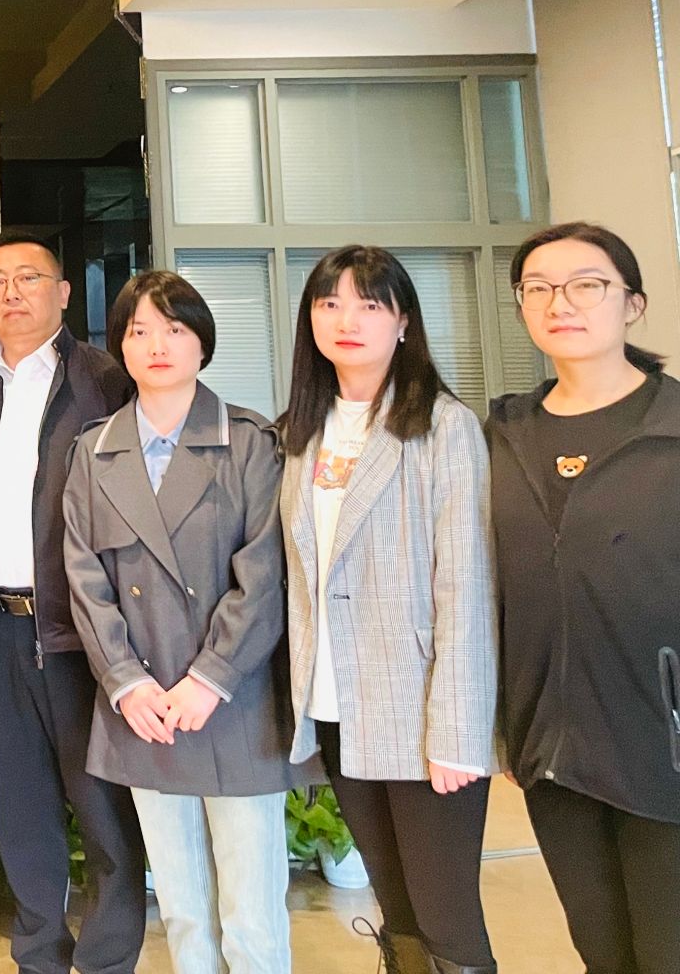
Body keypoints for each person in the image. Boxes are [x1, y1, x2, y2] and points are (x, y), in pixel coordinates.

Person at [0, 229, 144, 974]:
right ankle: (40, 954)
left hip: (87, 634)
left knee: (102, 804)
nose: (10, 292)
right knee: (23, 808)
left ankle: (107, 960)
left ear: (63, 292)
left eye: (27, 277)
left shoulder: (106, 382)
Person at [63, 271, 297, 974]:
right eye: (139, 331)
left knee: (251, 911)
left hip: (233, 700)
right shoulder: (94, 451)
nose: (157, 345)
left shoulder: (251, 442)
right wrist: (126, 682)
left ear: (202, 343)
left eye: (174, 329)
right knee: (183, 906)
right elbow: (84, 576)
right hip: (145, 708)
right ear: (120, 347)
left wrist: (211, 677)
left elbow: (266, 574)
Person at [277, 246, 496, 974]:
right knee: (396, 907)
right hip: (337, 706)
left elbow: (466, 583)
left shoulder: (443, 426)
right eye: (329, 303)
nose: (347, 320)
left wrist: (458, 731)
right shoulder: (302, 430)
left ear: (404, 322)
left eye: (370, 304)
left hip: (419, 710)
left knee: (446, 916)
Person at [488, 222, 680, 974]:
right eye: (537, 288)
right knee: (601, 951)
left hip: (663, 741)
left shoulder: (672, 426)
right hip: (552, 751)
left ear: (633, 303)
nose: (558, 303)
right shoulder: (502, 434)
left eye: (586, 285)